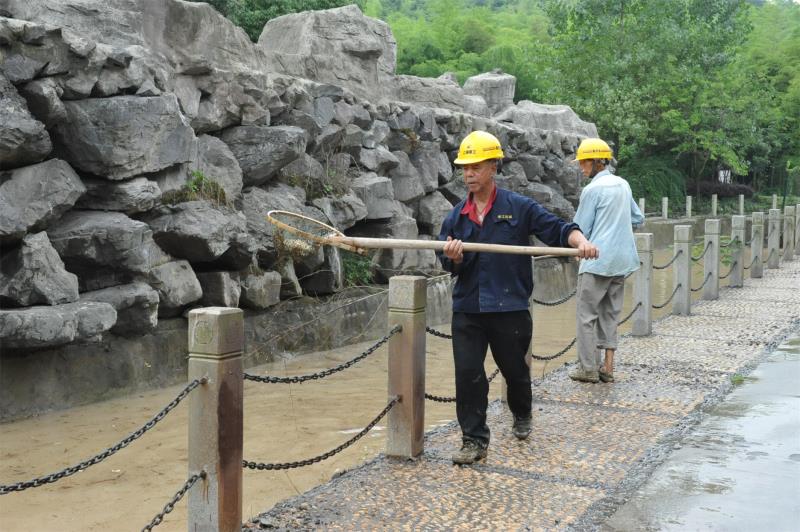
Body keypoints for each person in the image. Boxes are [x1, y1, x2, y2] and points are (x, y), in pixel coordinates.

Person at [438, 130, 599, 465]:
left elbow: (558, 228)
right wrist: (453, 257)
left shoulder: (518, 207)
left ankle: (522, 412)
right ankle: (473, 440)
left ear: (493, 167)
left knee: (515, 372)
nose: (469, 174)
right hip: (468, 307)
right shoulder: (455, 217)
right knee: (468, 375)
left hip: (509, 306)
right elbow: (447, 264)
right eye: (465, 168)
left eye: (476, 167)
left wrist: (580, 242)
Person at [569, 138, 644, 384]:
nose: (581, 168)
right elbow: (638, 218)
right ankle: (608, 367)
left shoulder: (592, 190)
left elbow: (580, 228)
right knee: (610, 314)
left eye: (584, 163)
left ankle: (588, 368)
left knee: (586, 316)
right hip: (621, 261)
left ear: (597, 162)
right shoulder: (623, 184)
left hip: (596, 261)